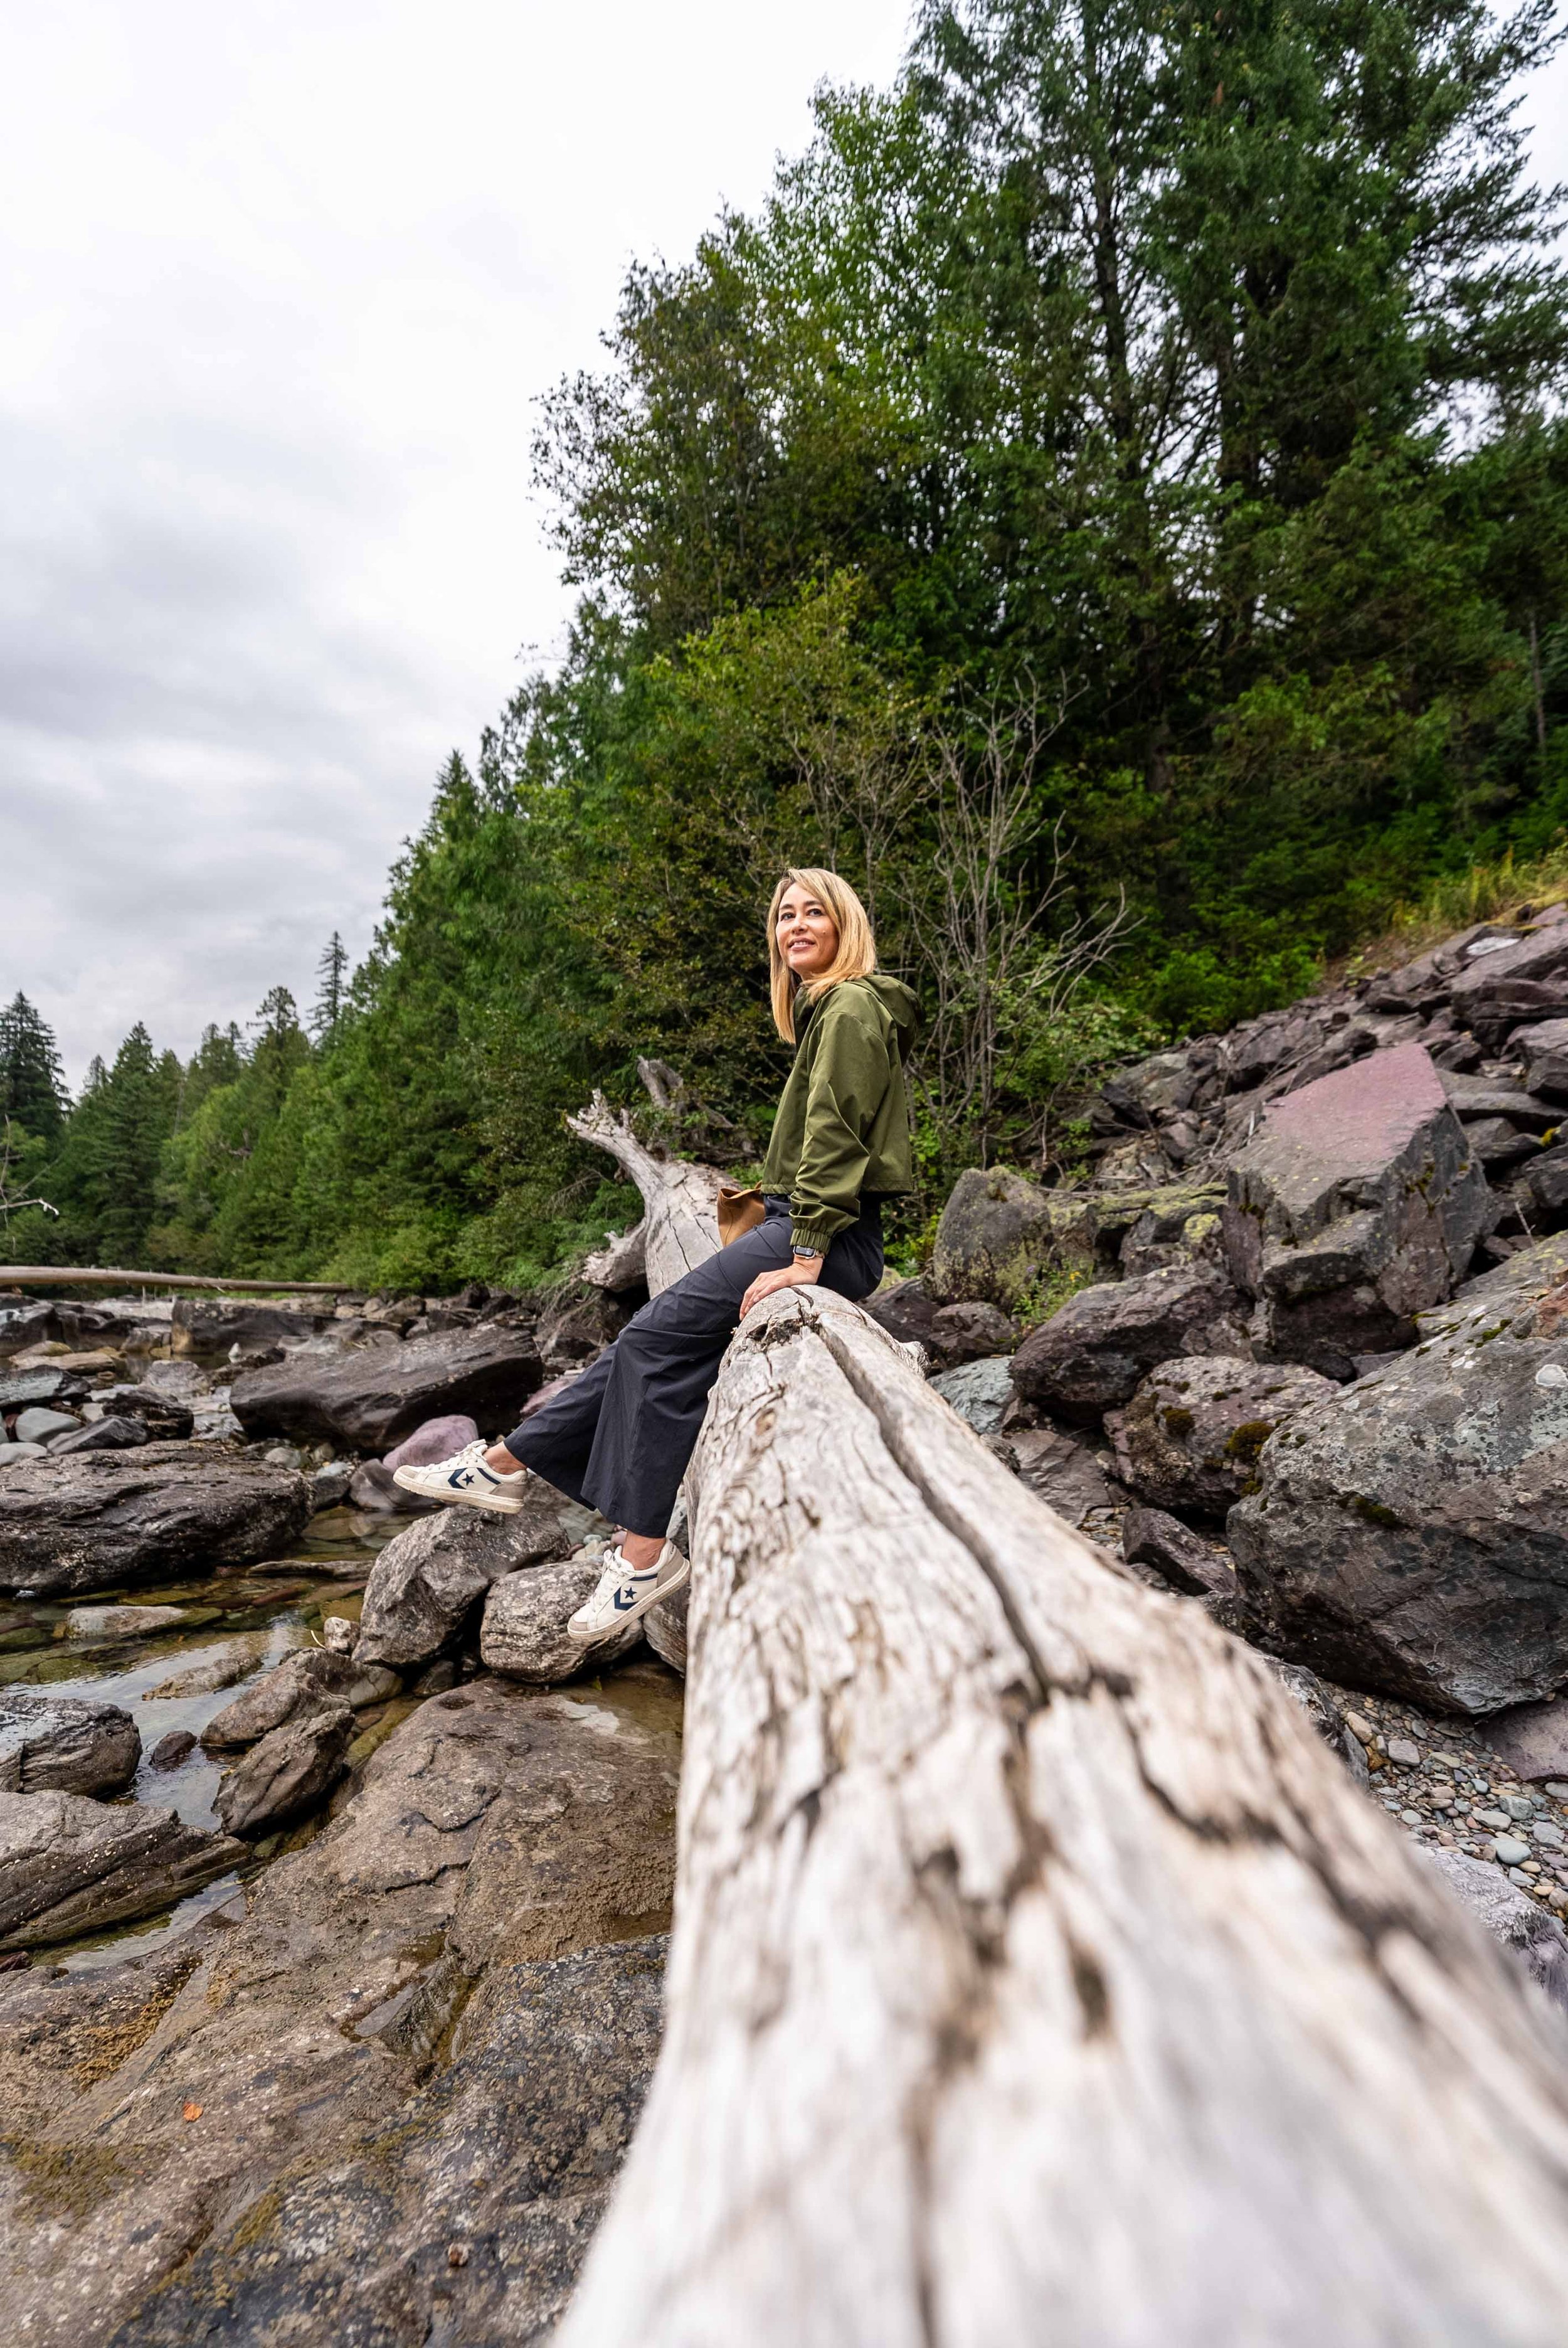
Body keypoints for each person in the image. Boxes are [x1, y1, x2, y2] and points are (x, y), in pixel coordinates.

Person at [393, 867, 918, 1642]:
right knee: (634, 1354)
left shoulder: (849, 1007)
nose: (795, 926)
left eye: (814, 913)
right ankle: (501, 1467)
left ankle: (641, 1556)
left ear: (846, 925)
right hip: (814, 1224)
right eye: (783, 916)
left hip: (827, 1234)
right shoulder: (833, 1011)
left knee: (649, 1344)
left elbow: (837, 1135)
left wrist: (803, 1254)